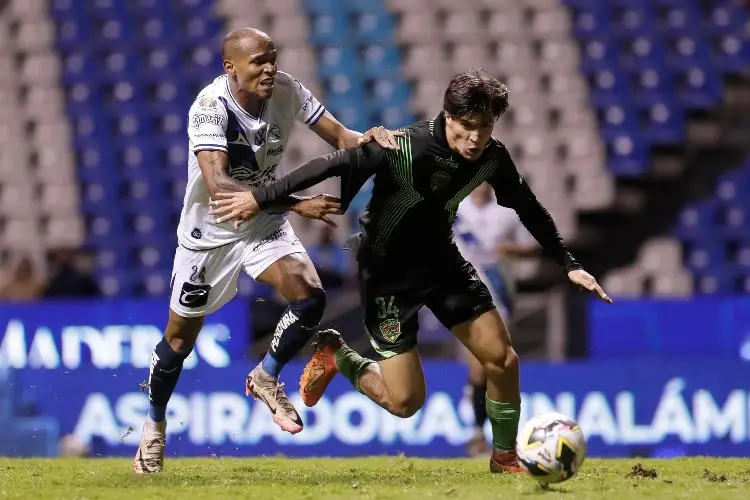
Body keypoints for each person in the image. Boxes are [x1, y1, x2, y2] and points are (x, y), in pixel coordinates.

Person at [209, 69, 612, 473]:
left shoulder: (492, 156)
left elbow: (529, 207)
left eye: (485, 127)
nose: (475, 138)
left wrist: (569, 263)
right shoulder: (402, 146)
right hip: (388, 278)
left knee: (503, 360)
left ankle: (504, 458)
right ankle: (337, 355)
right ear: (448, 116)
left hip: (444, 265)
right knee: (405, 403)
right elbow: (326, 165)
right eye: (467, 126)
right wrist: (259, 199)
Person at [132, 27, 398, 474]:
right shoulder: (209, 107)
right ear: (230, 67)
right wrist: (299, 204)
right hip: (210, 233)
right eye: (259, 61)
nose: (270, 68)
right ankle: (154, 428)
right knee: (179, 341)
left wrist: (366, 136)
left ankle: (265, 376)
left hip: (262, 220)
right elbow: (219, 188)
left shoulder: (288, 90)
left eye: (273, 58)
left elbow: (339, 137)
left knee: (309, 294)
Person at [453, 183, 538, 457]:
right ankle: (477, 434)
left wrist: (510, 249)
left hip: (499, 297)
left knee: (498, 368)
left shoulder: (508, 210)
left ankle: (498, 435)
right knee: (478, 367)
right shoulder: (455, 207)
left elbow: (533, 244)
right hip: (464, 296)